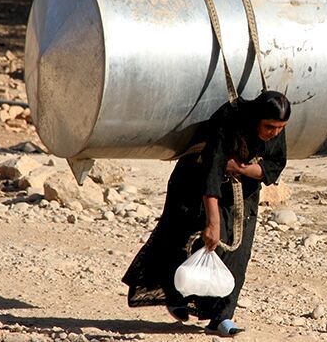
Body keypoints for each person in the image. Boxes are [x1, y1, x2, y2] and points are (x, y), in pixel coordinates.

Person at [122, 90, 291, 337]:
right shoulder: (229, 117)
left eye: (280, 128)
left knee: (237, 252)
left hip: (242, 192)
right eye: (270, 127)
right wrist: (212, 222)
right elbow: (212, 168)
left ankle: (221, 318)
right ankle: (176, 295)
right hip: (195, 183)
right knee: (188, 238)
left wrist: (242, 168)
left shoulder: (275, 128)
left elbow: (275, 165)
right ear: (257, 117)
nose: (274, 133)